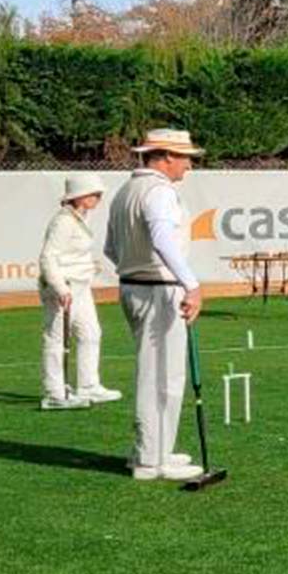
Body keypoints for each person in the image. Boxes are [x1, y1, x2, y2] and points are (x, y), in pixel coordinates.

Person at [104, 128, 206, 482]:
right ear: (164, 156)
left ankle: (156, 449)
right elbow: (162, 237)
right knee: (161, 373)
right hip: (158, 289)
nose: (189, 166)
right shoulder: (159, 192)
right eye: (185, 158)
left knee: (158, 370)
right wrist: (190, 284)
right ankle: (151, 460)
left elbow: (109, 249)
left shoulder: (124, 191)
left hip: (133, 287)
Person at [36, 173, 118, 410]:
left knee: (91, 333)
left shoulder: (80, 218)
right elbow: (48, 257)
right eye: (94, 194)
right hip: (64, 287)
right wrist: (60, 288)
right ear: (80, 196)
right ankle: (55, 392)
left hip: (81, 286)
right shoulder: (63, 221)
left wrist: (90, 265)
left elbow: (73, 253)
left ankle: (88, 385)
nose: (99, 198)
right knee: (56, 339)